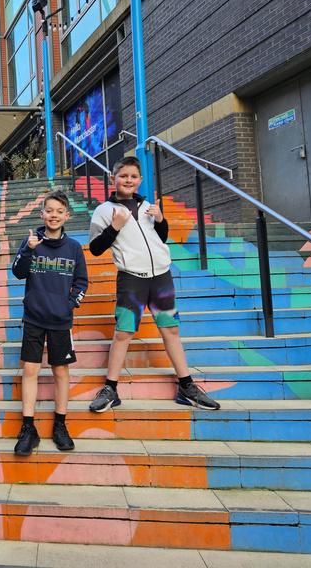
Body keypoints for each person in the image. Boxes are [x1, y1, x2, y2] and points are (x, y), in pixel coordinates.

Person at [87, 156, 220, 412]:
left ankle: (186, 385)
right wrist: (114, 227)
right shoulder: (104, 211)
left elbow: (162, 238)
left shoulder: (149, 206)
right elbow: (95, 248)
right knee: (124, 333)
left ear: (140, 180)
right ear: (113, 179)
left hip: (161, 277)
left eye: (133, 176)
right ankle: (110, 389)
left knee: (171, 330)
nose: (128, 180)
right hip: (131, 278)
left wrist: (160, 220)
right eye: (123, 176)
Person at [11, 190, 88, 456]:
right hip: (34, 317)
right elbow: (18, 272)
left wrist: (70, 304)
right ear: (41, 214)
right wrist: (29, 250)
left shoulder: (74, 247)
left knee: (60, 371)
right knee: (30, 369)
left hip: (61, 320)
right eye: (49, 210)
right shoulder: (32, 241)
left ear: (67, 216)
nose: (54, 215)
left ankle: (60, 425)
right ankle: (28, 427)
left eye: (59, 211)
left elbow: (82, 282)